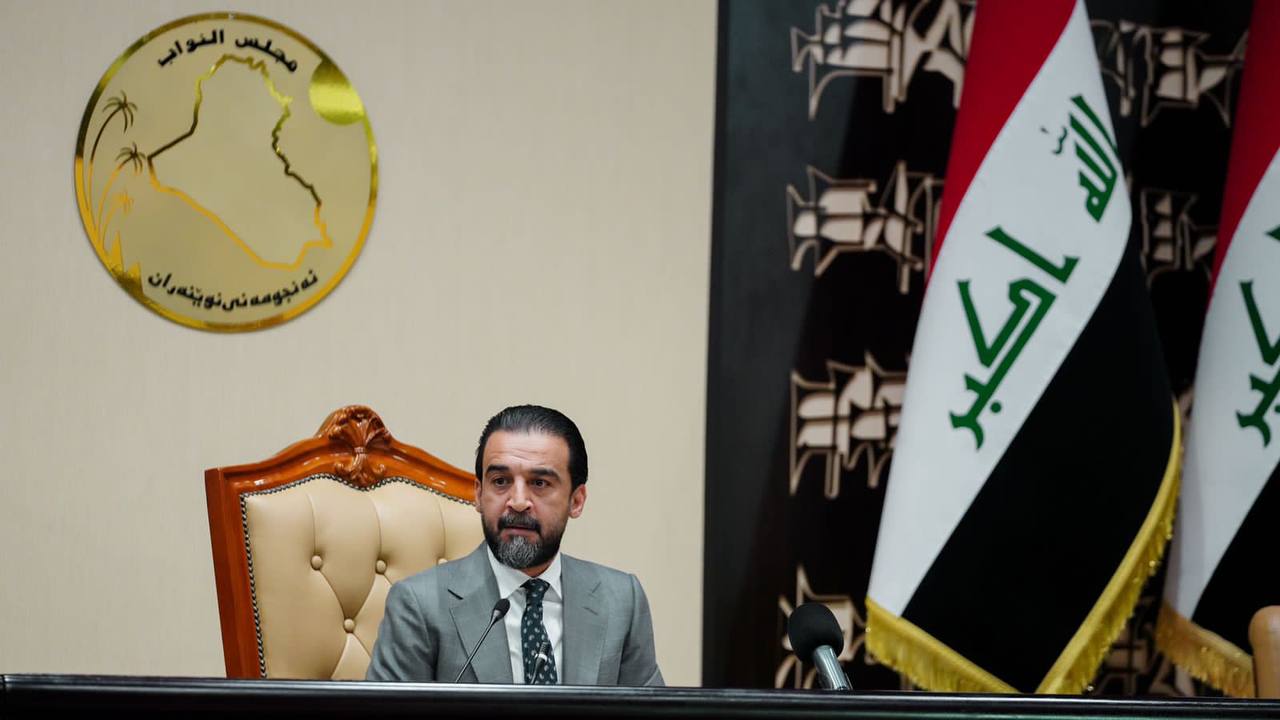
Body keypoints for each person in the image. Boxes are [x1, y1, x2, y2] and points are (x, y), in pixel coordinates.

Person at [366, 405, 663, 685]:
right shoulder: (419, 605)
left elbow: (650, 715)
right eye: (500, 481)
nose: (518, 502)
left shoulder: (621, 601)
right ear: (478, 495)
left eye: (540, 483)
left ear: (576, 500)